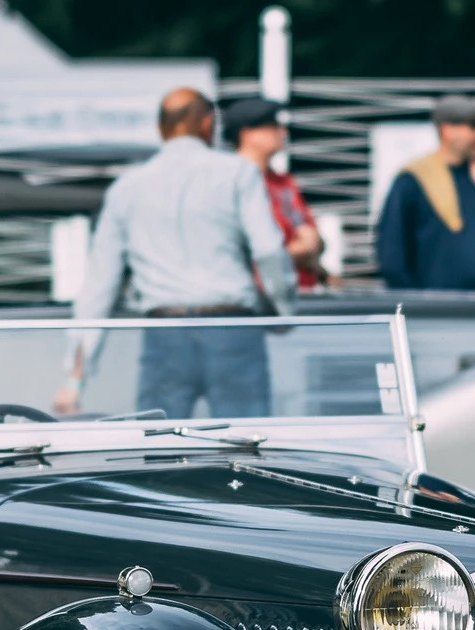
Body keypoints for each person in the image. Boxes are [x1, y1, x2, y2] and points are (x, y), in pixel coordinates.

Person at [57, 87, 296, 420]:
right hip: (233, 327)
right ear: (207, 122)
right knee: (248, 450)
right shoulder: (237, 173)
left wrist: (75, 380)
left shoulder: (126, 188)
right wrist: (283, 313)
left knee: (161, 455)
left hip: (165, 333)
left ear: (161, 129)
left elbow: (100, 286)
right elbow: (269, 250)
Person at [375, 95, 475, 292]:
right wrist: (410, 301)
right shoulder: (413, 179)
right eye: (472, 126)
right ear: (446, 130)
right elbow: (391, 250)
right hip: (433, 307)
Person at [227, 95, 327, 289]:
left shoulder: (284, 181)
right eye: (271, 125)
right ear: (247, 134)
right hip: (261, 297)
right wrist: (295, 252)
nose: (282, 131)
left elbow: (312, 236)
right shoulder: (230, 184)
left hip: (299, 291)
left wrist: (315, 245)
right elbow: (238, 254)